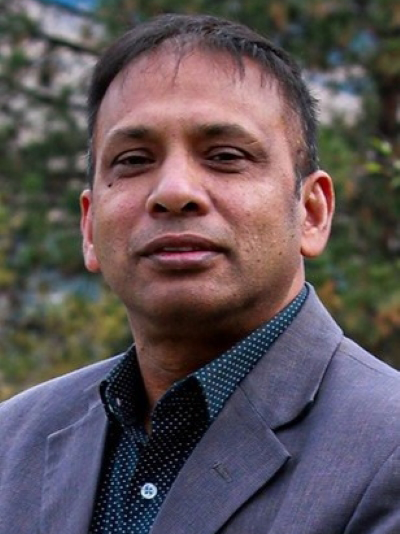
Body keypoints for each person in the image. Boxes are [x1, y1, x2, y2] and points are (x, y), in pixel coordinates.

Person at [1, 13, 399, 534]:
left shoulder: (385, 450)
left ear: (311, 212)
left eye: (225, 156)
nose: (173, 192)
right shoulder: (13, 446)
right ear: (90, 225)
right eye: (134, 160)